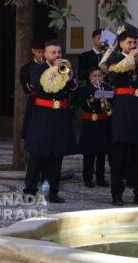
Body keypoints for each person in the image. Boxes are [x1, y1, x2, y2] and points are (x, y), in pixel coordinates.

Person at [24, 40, 78, 203]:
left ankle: (53, 191)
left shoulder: (66, 68)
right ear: (46, 54)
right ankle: (30, 191)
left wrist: (70, 78)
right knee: (36, 155)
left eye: (59, 52)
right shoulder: (37, 68)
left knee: (56, 156)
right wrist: (54, 71)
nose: (57, 55)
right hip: (42, 117)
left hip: (60, 117)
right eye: (53, 52)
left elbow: (75, 90)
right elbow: (39, 87)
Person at [105, 23, 138, 206]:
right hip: (122, 112)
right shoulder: (114, 60)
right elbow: (113, 77)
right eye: (130, 42)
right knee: (119, 157)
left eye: (135, 42)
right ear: (121, 43)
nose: (133, 46)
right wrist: (129, 59)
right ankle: (117, 194)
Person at [78, 66, 112, 188]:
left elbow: (112, 104)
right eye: (95, 76)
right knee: (89, 152)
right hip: (90, 123)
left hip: (103, 123)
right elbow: (81, 104)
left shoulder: (107, 87)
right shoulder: (86, 88)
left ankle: (100, 178)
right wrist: (91, 100)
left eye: (100, 75)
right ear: (90, 77)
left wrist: (108, 101)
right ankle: (87, 178)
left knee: (101, 152)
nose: (98, 78)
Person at [20, 41, 45, 140]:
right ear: (33, 51)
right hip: (35, 101)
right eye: (39, 52)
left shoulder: (51, 67)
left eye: (43, 52)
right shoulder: (26, 68)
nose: (41, 55)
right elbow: (26, 88)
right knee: (32, 130)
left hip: (48, 101)